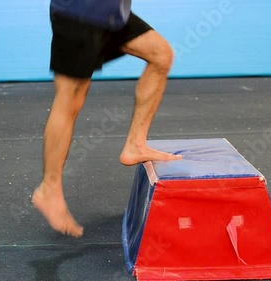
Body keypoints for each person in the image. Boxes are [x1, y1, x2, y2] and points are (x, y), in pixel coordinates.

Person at [32, 4, 182, 238]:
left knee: (160, 54)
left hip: (112, 14)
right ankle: (48, 190)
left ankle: (136, 145)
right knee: (70, 97)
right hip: (78, 14)